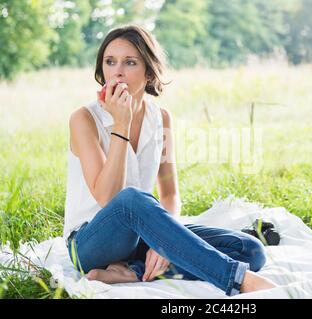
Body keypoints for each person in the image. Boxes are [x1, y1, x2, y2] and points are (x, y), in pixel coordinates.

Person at [63, 25, 278, 296]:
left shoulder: (160, 118)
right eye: (110, 62)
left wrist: (162, 243)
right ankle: (237, 281)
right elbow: (107, 197)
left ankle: (133, 271)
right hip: (89, 243)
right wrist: (121, 124)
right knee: (132, 199)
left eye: (130, 62)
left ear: (149, 72)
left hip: (139, 236)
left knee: (249, 250)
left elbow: (170, 194)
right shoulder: (84, 119)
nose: (117, 71)